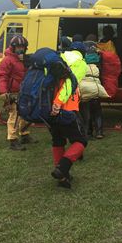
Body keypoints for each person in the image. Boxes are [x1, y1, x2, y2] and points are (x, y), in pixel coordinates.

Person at [49, 41, 89, 188]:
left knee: (58, 140)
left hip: (49, 109)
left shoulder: (59, 57)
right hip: (65, 109)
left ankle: (63, 178)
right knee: (81, 141)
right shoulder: (80, 63)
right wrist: (59, 103)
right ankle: (62, 168)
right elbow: (69, 84)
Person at [0, 35, 37, 150]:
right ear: (13, 47)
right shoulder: (7, 61)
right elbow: (2, 76)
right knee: (14, 116)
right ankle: (13, 140)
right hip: (12, 93)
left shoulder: (25, 60)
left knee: (25, 114)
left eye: (23, 47)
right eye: (18, 47)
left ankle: (24, 135)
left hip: (24, 92)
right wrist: (3, 92)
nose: (21, 49)